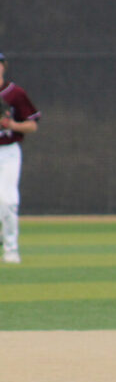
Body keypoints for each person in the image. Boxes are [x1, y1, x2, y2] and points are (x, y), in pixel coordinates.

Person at [0, 52, 40, 264]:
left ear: (3, 66)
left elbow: (33, 125)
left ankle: (11, 250)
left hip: (8, 152)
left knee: (8, 201)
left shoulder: (15, 94)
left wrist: (12, 125)